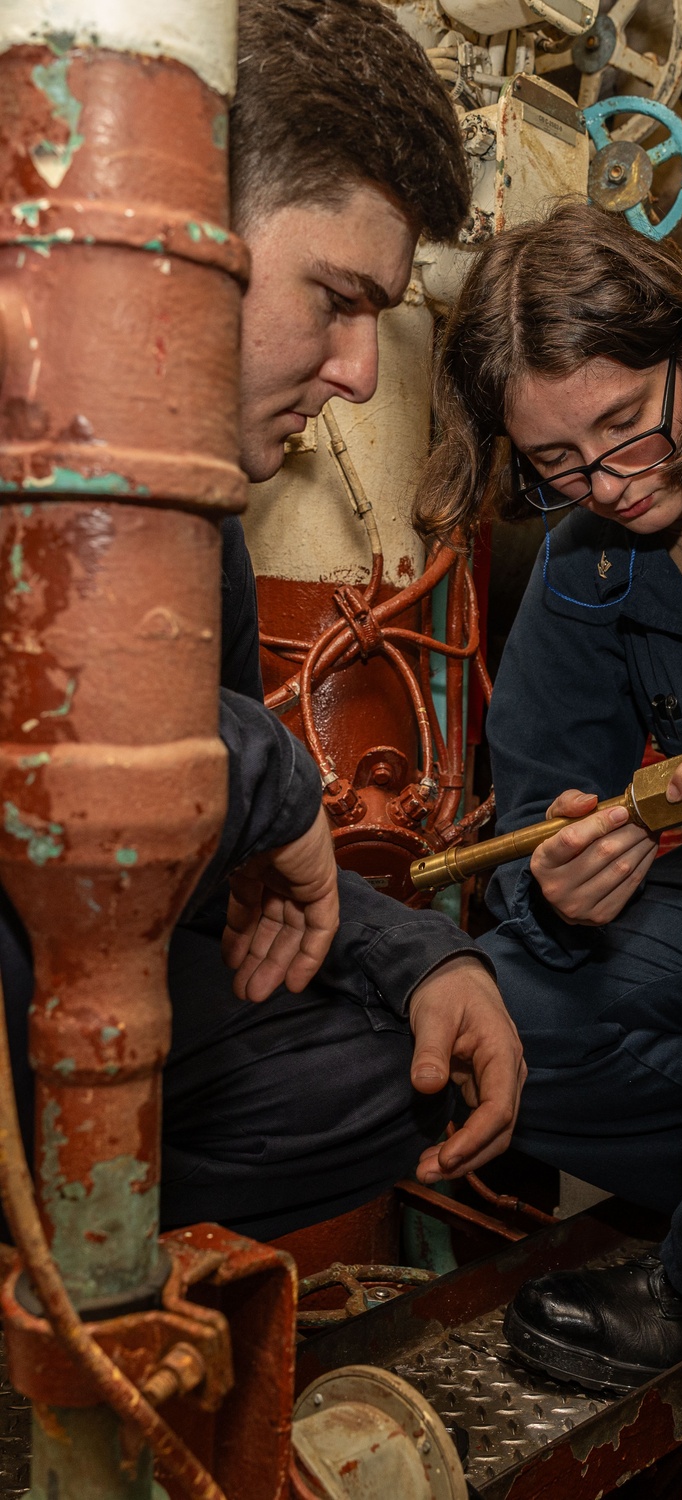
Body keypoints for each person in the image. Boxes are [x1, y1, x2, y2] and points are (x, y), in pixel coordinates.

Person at [0, 0, 525, 1248]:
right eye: (335, 300)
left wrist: (422, 958)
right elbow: (183, 755)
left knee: (394, 1068)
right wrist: (268, 774)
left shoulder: (206, 538)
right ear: (189, 232)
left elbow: (226, 866)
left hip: (81, 968)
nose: (361, 374)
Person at [417, 200, 682, 1388]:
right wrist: (558, 891)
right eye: (557, 461)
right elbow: (536, 812)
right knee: (475, 1032)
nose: (608, 482)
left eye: (624, 425)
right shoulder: (582, 561)